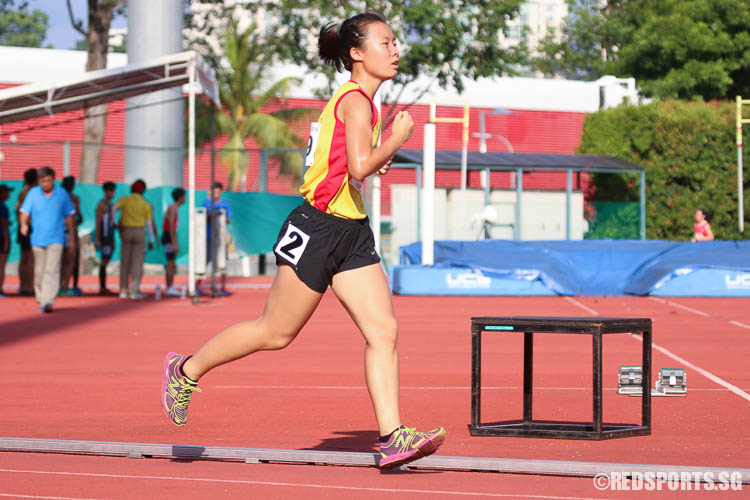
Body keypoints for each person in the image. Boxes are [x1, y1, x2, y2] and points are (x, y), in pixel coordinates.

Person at [160, 12, 445, 470]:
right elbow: (356, 167)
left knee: (383, 331)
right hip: (316, 228)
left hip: (352, 231)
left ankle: (393, 436)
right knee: (275, 333)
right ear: (357, 53)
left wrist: (377, 155)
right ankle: (185, 370)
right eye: (386, 42)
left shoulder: (364, 104)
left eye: (395, 43)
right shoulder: (355, 101)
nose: (395, 50)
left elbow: (345, 164)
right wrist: (395, 140)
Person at [18, 167, 76, 313]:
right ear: (39, 181)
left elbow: (69, 217)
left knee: (52, 269)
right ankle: (41, 296)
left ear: (53, 180)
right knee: (39, 270)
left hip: (56, 238)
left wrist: (73, 238)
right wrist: (23, 224)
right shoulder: (33, 193)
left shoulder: (61, 194)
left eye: (48, 181)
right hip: (37, 239)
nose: (46, 184)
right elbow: (24, 212)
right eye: (43, 181)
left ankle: (48, 300)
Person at [115, 179, 153, 299]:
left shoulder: (125, 200)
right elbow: (149, 223)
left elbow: (112, 209)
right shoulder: (146, 204)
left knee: (125, 261)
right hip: (139, 232)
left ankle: (123, 289)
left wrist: (113, 222)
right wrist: (151, 239)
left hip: (126, 231)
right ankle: (134, 290)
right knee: (137, 262)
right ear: (143, 190)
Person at [196, 182, 232, 296]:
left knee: (222, 261)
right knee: (205, 260)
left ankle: (223, 287)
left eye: (217, 191)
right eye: (213, 191)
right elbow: (202, 217)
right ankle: (197, 285)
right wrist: (210, 216)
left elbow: (228, 219)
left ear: (221, 192)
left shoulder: (225, 204)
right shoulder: (206, 204)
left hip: (220, 238)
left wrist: (220, 216)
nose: (215, 194)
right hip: (208, 236)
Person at [59, 176, 83, 296]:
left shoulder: (57, 196)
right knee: (69, 260)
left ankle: (60, 285)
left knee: (61, 260)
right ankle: (65, 285)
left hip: (59, 231)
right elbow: (78, 216)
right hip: (69, 232)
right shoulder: (73, 199)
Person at [16, 168, 37, 296]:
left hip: (22, 227)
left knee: (24, 258)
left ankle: (23, 285)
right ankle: (28, 286)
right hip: (29, 227)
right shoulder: (31, 193)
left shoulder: (23, 192)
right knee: (29, 258)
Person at [95, 182, 117, 295]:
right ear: (106, 191)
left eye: (113, 191)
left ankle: (103, 286)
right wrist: (98, 238)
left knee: (106, 260)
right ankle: (102, 287)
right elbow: (99, 221)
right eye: (110, 191)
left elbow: (112, 222)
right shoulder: (102, 205)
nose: (112, 193)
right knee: (104, 261)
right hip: (104, 237)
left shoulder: (112, 205)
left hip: (110, 236)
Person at [162, 187, 186, 297]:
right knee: (170, 263)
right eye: (184, 196)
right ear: (180, 197)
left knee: (171, 263)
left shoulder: (175, 207)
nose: (185, 198)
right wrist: (174, 243)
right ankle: (169, 287)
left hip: (169, 236)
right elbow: (171, 228)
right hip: (168, 237)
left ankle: (170, 286)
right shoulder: (173, 208)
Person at [0, 184, 12, 297]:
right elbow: (3, 225)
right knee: (1, 265)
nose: (8, 194)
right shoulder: (3, 207)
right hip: (1, 237)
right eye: (6, 192)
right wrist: (7, 241)